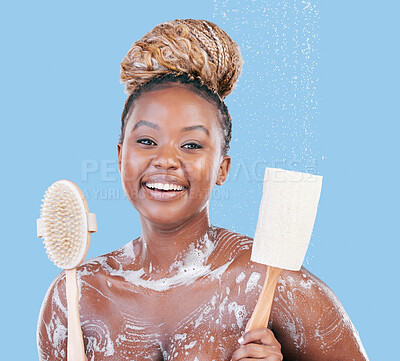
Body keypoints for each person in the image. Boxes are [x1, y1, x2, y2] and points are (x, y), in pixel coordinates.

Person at [37, 19, 368, 361]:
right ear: (121, 157)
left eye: (192, 145)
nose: (165, 159)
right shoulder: (76, 297)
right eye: (147, 141)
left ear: (222, 168)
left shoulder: (273, 284)